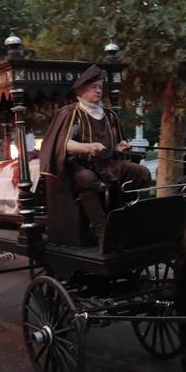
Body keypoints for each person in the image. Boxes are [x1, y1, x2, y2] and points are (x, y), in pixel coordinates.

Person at [41, 65, 153, 243]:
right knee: (87, 178)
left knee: (141, 172)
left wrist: (119, 147)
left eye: (100, 87)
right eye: (94, 87)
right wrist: (87, 147)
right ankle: (102, 233)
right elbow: (64, 144)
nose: (99, 91)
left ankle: (137, 223)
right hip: (78, 166)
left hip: (106, 164)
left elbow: (113, 145)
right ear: (81, 90)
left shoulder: (109, 115)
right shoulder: (71, 113)